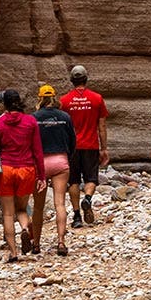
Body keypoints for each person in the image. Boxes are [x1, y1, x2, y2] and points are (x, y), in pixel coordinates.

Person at [0, 89, 43, 262]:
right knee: (21, 208)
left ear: (5, 103)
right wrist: (41, 176)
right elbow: (38, 151)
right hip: (26, 170)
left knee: (8, 214)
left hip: (5, 171)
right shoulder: (31, 121)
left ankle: (13, 252)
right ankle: (25, 228)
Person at [29, 84, 76, 257]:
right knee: (60, 204)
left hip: (39, 164)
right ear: (55, 97)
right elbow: (72, 141)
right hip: (60, 161)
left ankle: (36, 244)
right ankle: (61, 242)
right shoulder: (65, 117)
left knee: (38, 208)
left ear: (40, 98)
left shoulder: (33, 118)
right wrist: (67, 158)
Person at [61, 65, 109, 227]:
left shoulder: (64, 101)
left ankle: (76, 217)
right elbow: (101, 126)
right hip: (91, 145)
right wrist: (104, 149)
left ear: (72, 81)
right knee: (91, 179)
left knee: (73, 182)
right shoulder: (97, 98)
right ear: (86, 79)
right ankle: (87, 199)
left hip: (71, 147)